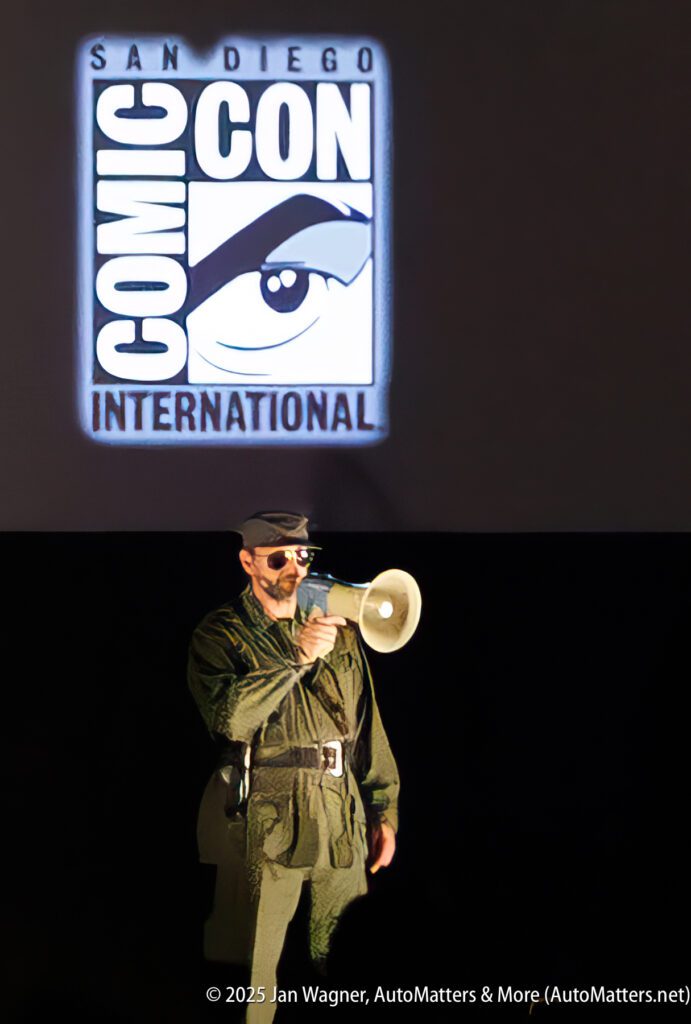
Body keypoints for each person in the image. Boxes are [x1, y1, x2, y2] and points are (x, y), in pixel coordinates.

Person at [188, 511, 399, 1023]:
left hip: (340, 814)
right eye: (278, 557)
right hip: (270, 814)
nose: (294, 567)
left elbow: (367, 727)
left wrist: (383, 807)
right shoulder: (222, 633)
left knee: (349, 960)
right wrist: (296, 659)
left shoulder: (341, 631)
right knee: (257, 973)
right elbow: (229, 718)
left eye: (303, 555)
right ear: (247, 562)